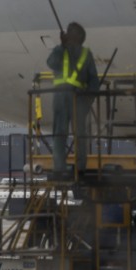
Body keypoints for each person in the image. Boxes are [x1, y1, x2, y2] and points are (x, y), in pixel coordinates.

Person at [46, 22, 100, 175]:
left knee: (78, 133)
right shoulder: (60, 50)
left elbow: (93, 81)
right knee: (61, 132)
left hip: (77, 97)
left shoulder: (85, 54)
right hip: (62, 96)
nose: (67, 34)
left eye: (71, 32)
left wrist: (88, 100)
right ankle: (60, 167)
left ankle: (78, 166)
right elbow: (51, 63)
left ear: (79, 37)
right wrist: (61, 46)